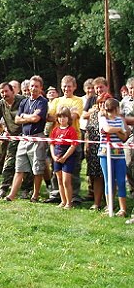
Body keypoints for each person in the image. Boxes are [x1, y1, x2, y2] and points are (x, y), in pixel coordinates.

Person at [5, 75, 48, 202]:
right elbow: (17, 119)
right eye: (32, 86)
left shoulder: (42, 102)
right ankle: (11, 195)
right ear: (28, 87)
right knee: (19, 168)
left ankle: (35, 195)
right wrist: (27, 116)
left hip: (37, 138)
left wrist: (25, 116)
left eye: (36, 86)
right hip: (24, 138)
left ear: (41, 88)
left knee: (37, 169)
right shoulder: (24, 102)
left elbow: (36, 119)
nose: (34, 88)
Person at [45, 76, 85, 204]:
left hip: (73, 139)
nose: (67, 89)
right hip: (57, 140)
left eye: (69, 86)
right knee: (56, 170)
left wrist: (59, 116)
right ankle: (57, 195)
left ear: (74, 87)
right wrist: (64, 116)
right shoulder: (56, 101)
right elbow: (49, 117)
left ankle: (74, 196)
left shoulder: (78, 100)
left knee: (74, 170)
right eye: (64, 86)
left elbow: (74, 116)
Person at [0, 82, 29, 199]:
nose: (4, 94)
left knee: (27, 164)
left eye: (6, 91)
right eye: (2, 92)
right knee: (9, 162)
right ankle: (3, 188)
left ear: (13, 91)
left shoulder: (23, 100)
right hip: (12, 137)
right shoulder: (0, 104)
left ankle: (26, 189)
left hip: (26, 135)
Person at [98, 98, 130, 217]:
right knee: (109, 181)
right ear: (116, 108)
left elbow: (124, 137)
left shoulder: (119, 120)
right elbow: (107, 129)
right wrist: (119, 130)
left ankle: (122, 209)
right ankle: (110, 206)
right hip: (105, 154)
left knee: (121, 181)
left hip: (119, 155)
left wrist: (117, 131)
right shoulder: (102, 118)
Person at [49, 108, 78, 209]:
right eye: (60, 117)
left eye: (64, 117)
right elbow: (52, 144)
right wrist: (53, 156)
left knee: (66, 181)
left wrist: (65, 157)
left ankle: (69, 203)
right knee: (60, 180)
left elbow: (73, 145)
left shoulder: (71, 130)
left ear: (68, 118)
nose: (62, 119)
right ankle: (63, 201)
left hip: (67, 157)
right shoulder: (55, 130)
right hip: (57, 156)